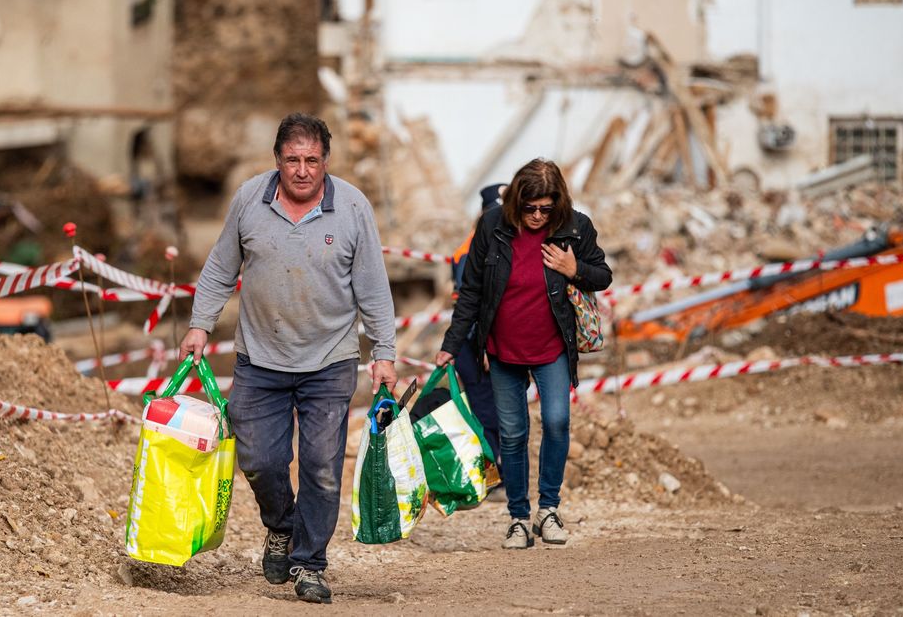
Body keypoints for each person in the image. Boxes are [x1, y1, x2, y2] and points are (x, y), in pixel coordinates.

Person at [180, 113, 398, 604]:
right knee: (259, 459)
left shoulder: (353, 208)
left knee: (321, 466)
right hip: (260, 358)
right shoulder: (249, 201)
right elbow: (219, 269)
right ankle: (281, 526)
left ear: (326, 162)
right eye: (293, 160)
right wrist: (199, 324)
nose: (302, 170)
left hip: (330, 360)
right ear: (277, 160)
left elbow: (374, 288)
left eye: (312, 160)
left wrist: (384, 352)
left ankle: (309, 564)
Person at [436, 159, 611, 549]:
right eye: (529, 208)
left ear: (558, 204)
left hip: (551, 348)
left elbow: (603, 275)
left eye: (545, 209)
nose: (536, 216)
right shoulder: (492, 225)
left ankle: (548, 509)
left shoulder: (576, 227)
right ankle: (518, 517)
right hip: (502, 350)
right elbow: (472, 291)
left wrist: (573, 267)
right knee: (513, 434)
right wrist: (451, 345)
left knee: (556, 421)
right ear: (517, 201)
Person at [448, 184, 506, 482]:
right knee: (488, 412)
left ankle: (503, 473)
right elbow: (469, 306)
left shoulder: (494, 244)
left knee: (500, 410)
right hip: (477, 348)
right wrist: (484, 346)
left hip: (493, 345)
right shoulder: (470, 251)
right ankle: (497, 475)